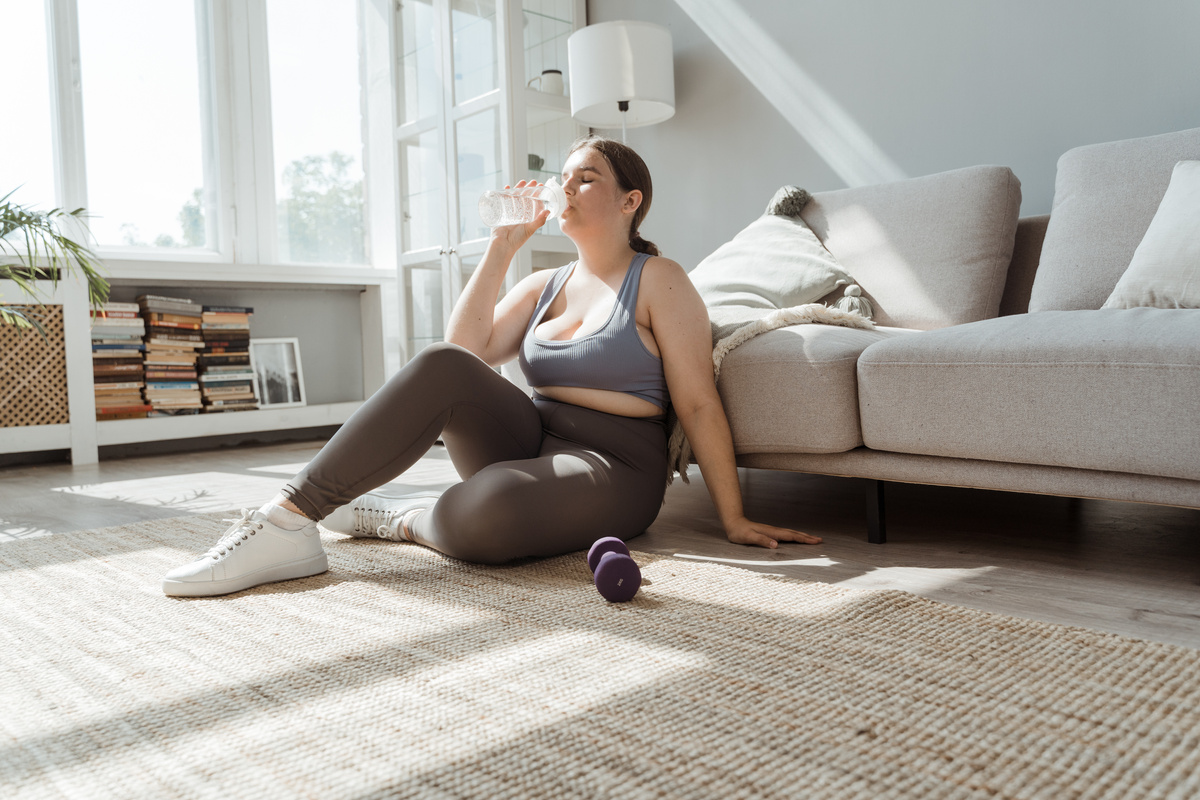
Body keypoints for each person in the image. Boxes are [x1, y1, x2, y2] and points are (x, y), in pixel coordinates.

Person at [162, 136, 822, 598]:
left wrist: (732, 515)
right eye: (563, 176)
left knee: (490, 513)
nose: (567, 186)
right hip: (528, 439)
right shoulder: (543, 284)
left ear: (631, 201)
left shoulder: (661, 280)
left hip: (615, 466)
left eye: (586, 177)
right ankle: (288, 520)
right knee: (440, 365)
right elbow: (460, 357)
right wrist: (501, 250)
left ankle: (405, 519)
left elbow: (700, 402)